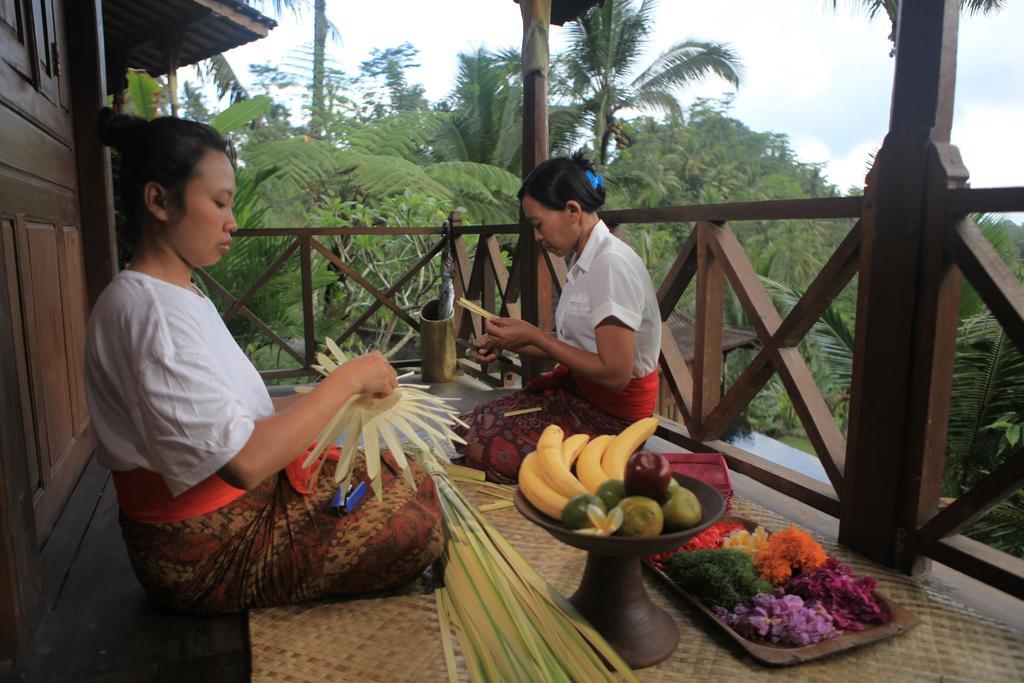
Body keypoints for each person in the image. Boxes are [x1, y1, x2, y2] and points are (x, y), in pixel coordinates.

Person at [84, 109, 442, 615]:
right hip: (208, 548)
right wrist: (343, 381)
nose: (232, 221)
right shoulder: (152, 314)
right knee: (416, 526)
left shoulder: (176, 294)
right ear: (158, 201)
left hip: (232, 510)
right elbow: (244, 462)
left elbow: (231, 414)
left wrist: (340, 400)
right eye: (219, 202)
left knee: (400, 471)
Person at [456, 152, 662, 482]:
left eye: (538, 225)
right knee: (468, 425)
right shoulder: (585, 260)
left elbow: (615, 374)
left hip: (612, 421)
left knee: (484, 445)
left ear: (573, 211)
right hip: (579, 395)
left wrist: (535, 336)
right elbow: (571, 347)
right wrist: (506, 342)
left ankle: (605, 466)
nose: (537, 236)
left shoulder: (610, 265)